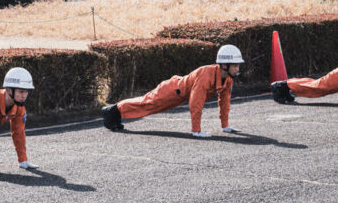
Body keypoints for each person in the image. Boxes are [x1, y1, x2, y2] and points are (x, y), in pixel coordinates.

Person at [103, 45, 244, 138]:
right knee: (147, 104)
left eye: (238, 66)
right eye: (235, 66)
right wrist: (196, 130)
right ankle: (112, 111)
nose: (238, 69)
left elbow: (224, 102)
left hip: (180, 96)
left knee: (147, 107)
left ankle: (115, 114)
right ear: (224, 65)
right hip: (171, 90)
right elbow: (196, 103)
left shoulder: (228, 78)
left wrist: (225, 126)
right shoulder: (206, 75)